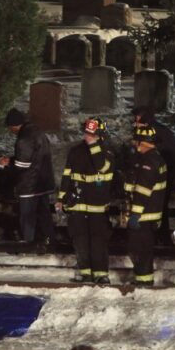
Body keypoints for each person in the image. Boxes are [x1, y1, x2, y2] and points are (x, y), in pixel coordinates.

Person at [57, 118, 114, 284]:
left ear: (100, 135)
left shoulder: (107, 152)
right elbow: (67, 176)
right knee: (80, 239)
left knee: (98, 240)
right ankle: (85, 273)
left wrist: (94, 145)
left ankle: (101, 274)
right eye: (86, 133)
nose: (87, 136)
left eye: (92, 134)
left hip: (98, 206)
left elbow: (101, 166)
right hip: (78, 204)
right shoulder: (75, 151)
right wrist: (61, 198)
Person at [0, 108, 55, 244]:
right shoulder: (38, 132)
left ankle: (27, 244)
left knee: (27, 217)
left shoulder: (23, 139)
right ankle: (50, 241)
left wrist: (8, 163)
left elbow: (22, 164)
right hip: (43, 182)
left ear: (13, 126)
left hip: (30, 185)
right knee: (44, 215)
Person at [131, 105, 175, 245]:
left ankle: (161, 236)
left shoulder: (158, 132)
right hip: (151, 175)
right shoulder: (148, 131)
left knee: (159, 206)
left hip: (160, 176)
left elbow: (169, 154)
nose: (136, 121)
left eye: (138, 117)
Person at [124, 122, 167, 286]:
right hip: (150, 213)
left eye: (136, 141)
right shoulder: (155, 158)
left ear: (141, 142)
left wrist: (135, 214)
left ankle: (143, 280)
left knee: (139, 248)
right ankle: (143, 278)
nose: (134, 144)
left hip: (144, 214)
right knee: (143, 248)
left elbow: (142, 190)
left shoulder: (149, 161)